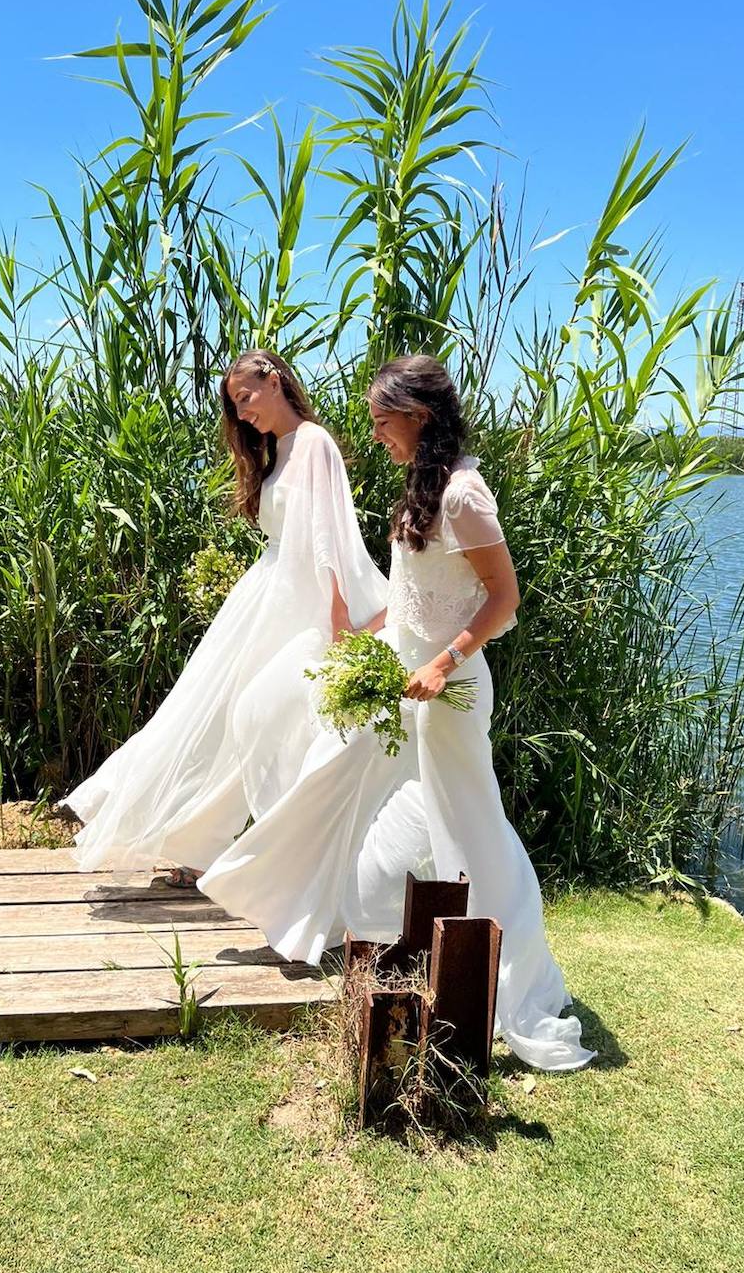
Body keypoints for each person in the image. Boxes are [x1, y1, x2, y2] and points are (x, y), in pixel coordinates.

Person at [200, 354, 596, 1072]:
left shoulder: (465, 495)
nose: (376, 434)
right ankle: (352, 921)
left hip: (449, 692)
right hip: (401, 673)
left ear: (420, 416)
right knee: (378, 804)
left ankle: (507, 973)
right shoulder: (424, 485)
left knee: (469, 827)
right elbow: (414, 596)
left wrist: (442, 665)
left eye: (384, 421)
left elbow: (502, 599)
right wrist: (366, 636)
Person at [62, 349, 387, 879]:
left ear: (275, 380)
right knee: (213, 710)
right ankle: (195, 844)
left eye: (246, 397)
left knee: (256, 719)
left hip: (302, 602)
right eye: (234, 406)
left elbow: (331, 536)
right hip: (268, 593)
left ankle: (296, 859)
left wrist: (338, 619)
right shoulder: (279, 449)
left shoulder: (314, 443)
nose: (241, 414)